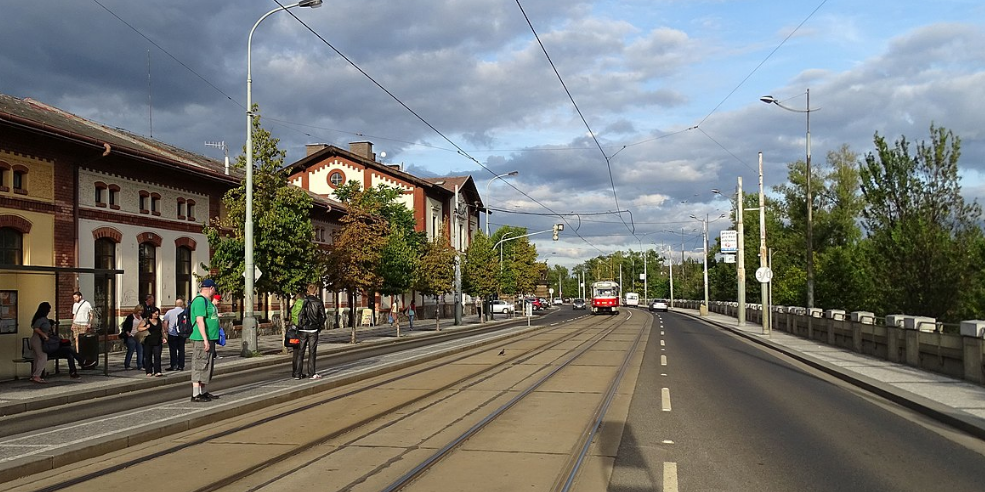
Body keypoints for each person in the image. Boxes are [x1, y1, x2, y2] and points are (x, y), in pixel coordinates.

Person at [189, 279, 220, 402]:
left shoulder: (207, 301)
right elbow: (199, 320)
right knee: (200, 364)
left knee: (206, 365)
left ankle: (203, 391)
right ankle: (196, 394)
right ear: (211, 288)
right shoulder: (200, 301)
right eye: (215, 288)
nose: (215, 291)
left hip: (209, 338)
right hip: (201, 339)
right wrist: (205, 340)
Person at [292, 283, 325, 380]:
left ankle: (298, 374)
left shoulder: (303, 301)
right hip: (313, 330)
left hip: (302, 329)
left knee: (300, 352)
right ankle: (311, 373)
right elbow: (323, 316)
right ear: (315, 291)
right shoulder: (318, 302)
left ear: (307, 291)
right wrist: (319, 326)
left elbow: (298, 313)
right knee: (312, 352)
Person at [138, 306, 165, 377]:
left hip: (158, 341)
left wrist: (164, 337)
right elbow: (139, 328)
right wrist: (146, 327)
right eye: (155, 314)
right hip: (148, 341)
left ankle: (157, 371)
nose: (157, 315)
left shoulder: (159, 321)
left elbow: (162, 330)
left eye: (158, 314)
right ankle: (149, 371)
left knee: (157, 356)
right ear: (151, 314)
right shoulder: (146, 320)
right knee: (148, 356)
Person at [29, 302, 51, 384]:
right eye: (48, 309)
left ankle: (34, 375)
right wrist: (44, 335)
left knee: (37, 358)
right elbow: (36, 328)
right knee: (43, 357)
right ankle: (37, 375)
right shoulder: (41, 319)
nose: (49, 311)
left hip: (37, 339)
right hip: (38, 339)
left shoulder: (41, 318)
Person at [162, 298, 185, 371]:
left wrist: (166, 331)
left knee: (173, 350)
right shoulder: (185, 312)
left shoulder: (170, 312)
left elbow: (165, 322)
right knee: (181, 350)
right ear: (182, 304)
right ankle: (181, 366)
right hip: (182, 333)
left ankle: (174, 365)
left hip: (172, 333)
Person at [120, 305, 144, 371]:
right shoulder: (131, 317)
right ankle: (127, 365)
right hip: (131, 336)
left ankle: (140, 365)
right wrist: (128, 333)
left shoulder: (141, 317)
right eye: (139, 310)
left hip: (139, 336)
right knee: (130, 351)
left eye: (141, 311)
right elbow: (125, 326)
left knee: (140, 351)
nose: (140, 312)